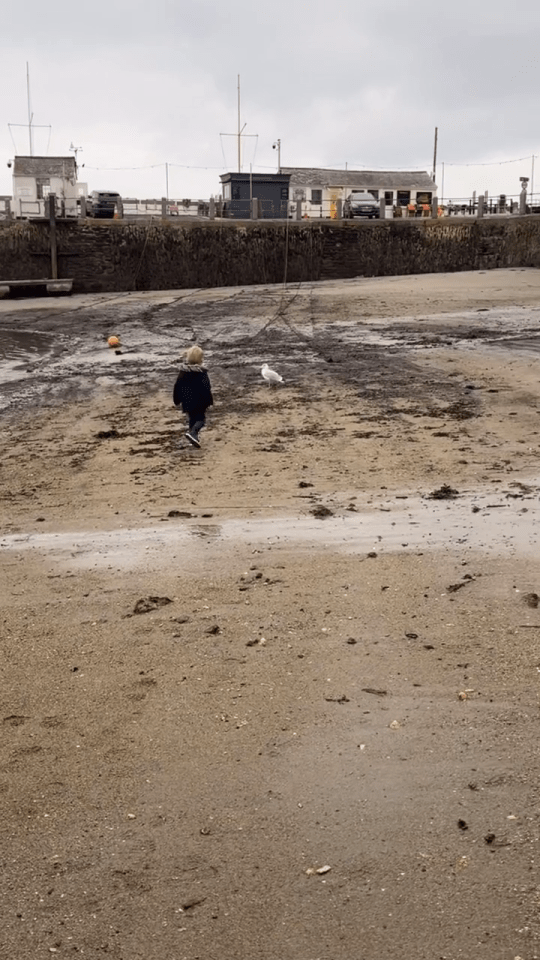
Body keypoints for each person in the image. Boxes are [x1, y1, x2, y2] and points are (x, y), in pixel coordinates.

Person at [173, 345, 213, 448]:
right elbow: (206, 388)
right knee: (201, 420)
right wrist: (209, 401)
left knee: (191, 419)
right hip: (200, 402)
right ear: (201, 359)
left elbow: (177, 386)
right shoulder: (201, 372)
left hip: (187, 402)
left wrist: (176, 399)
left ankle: (193, 438)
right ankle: (193, 433)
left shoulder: (183, 372)